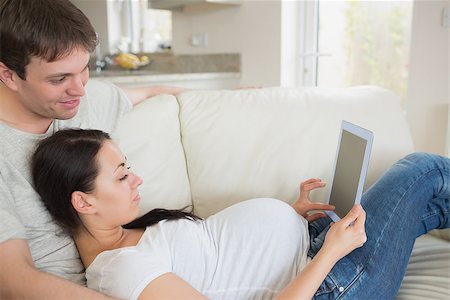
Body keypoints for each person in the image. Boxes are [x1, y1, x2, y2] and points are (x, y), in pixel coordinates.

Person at [31, 129, 450, 300]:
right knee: (422, 171)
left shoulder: (127, 234)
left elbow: (222, 258)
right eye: (122, 176)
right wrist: (330, 253)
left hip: (315, 247)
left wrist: (290, 216)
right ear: (83, 202)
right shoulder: (122, 272)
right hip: (333, 284)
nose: (137, 179)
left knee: (431, 203)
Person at [0, 0, 185, 298]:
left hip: (137, 277)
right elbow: (13, 281)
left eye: (83, 69)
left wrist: (233, 98)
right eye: (59, 79)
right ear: (9, 75)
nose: (80, 90)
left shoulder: (84, 100)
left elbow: (152, 92)